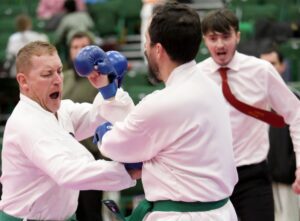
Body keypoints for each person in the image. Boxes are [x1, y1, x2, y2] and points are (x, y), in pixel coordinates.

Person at [82, 3, 238, 220]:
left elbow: (118, 146)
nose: (145, 49)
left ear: (158, 50)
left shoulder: (161, 103)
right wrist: (110, 94)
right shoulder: (212, 88)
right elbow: (147, 127)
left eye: (147, 42)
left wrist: (103, 132)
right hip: (221, 211)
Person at [0, 41, 139, 221]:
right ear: (23, 81)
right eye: (47, 74)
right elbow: (68, 171)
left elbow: (98, 115)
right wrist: (126, 170)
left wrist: (108, 88)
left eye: (58, 71)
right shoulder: (26, 123)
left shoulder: (61, 111)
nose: (57, 79)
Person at [197, 8, 300, 221]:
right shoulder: (195, 76)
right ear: (204, 40)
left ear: (238, 35)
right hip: (209, 178)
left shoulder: (261, 70)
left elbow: (295, 112)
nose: (220, 45)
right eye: (213, 38)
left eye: (226, 37)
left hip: (253, 177)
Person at [62, 31, 104, 221]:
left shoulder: (100, 79)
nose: (79, 52)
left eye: (83, 47)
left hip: (92, 157)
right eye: (75, 47)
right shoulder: (61, 79)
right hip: (65, 158)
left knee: (90, 213)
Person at [260, 47, 300, 221]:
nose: (268, 69)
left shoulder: (294, 100)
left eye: (272, 64)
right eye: (263, 64)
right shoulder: (251, 101)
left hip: (287, 183)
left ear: (282, 66)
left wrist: (291, 169)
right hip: (259, 181)